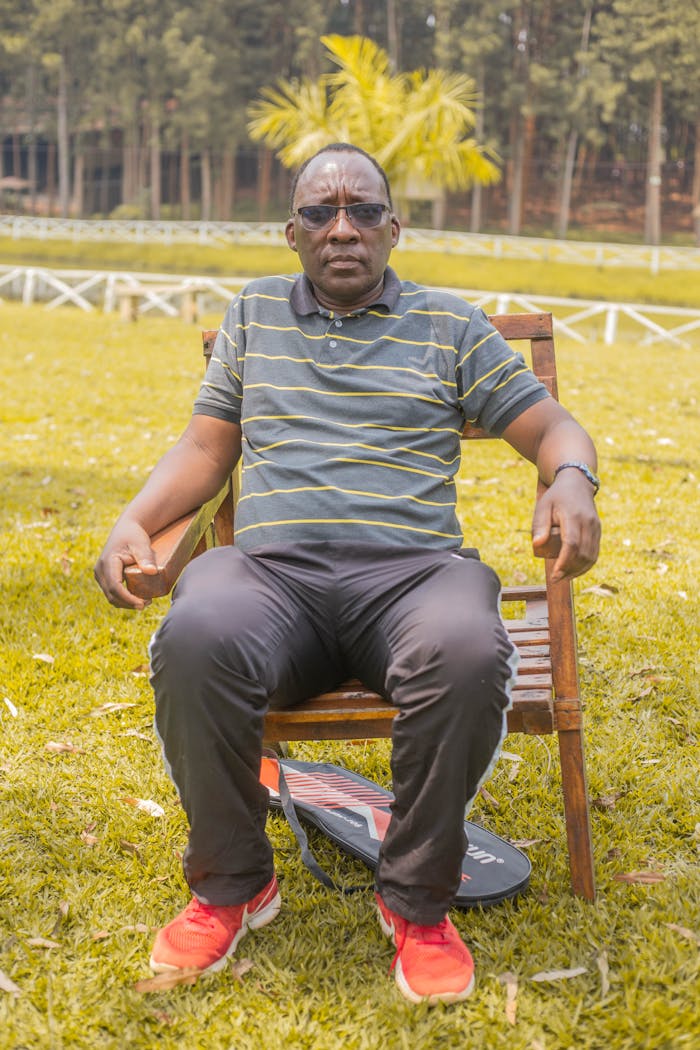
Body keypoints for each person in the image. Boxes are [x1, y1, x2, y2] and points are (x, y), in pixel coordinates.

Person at [95, 143, 601, 1006]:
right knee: (192, 633)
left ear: (393, 229)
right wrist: (136, 521)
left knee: (469, 650)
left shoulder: (449, 326)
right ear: (291, 231)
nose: (343, 228)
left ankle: (416, 903)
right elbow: (205, 448)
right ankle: (233, 884)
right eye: (322, 212)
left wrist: (571, 479)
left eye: (364, 211)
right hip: (271, 581)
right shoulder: (256, 314)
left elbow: (553, 427)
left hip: (411, 579)